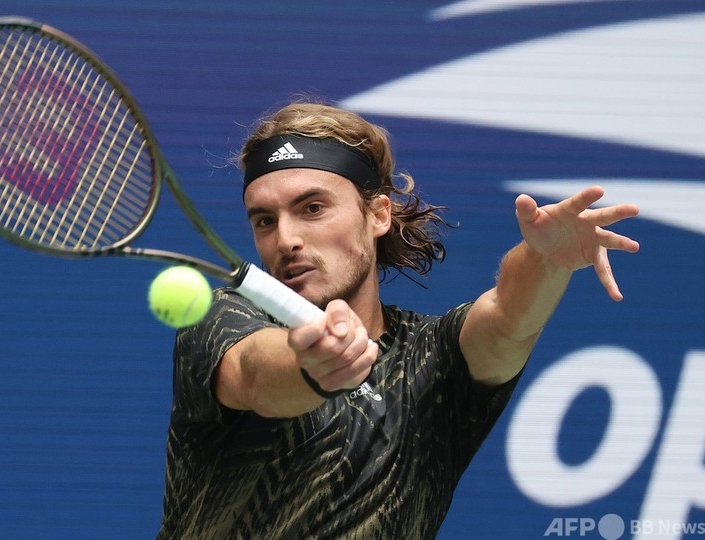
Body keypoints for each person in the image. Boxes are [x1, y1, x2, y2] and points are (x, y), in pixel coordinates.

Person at [156, 101, 640, 539]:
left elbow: (507, 317)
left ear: (379, 215)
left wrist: (545, 259)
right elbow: (256, 376)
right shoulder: (220, 315)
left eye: (313, 208)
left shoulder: (435, 358)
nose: (285, 239)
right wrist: (314, 364)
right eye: (265, 220)